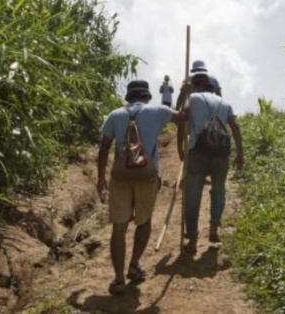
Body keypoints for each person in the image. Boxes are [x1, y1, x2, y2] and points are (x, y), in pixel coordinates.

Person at [97, 80, 186, 295]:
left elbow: (103, 150)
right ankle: (134, 265)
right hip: (147, 175)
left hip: (120, 176)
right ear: (147, 96)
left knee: (119, 228)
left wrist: (101, 179)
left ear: (128, 97)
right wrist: (184, 92)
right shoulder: (157, 111)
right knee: (143, 222)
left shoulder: (115, 114)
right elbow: (183, 117)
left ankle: (118, 279)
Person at [177, 68, 244, 253]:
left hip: (197, 152)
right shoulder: (225, 102)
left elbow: (182, 120)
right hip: (221, 154)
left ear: (196, 86)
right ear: (211, 86)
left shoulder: (193, 98)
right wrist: (240, 153)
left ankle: (192, 240)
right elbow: (235, 126)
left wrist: (181, 151)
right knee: (219, 190)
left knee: (192, 196)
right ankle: (214, 228)